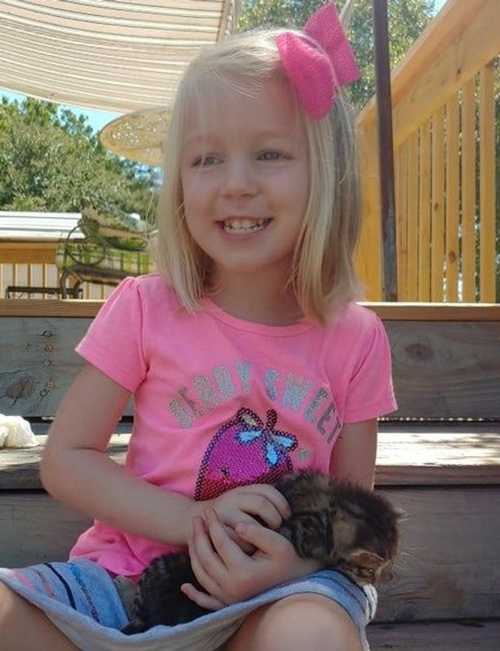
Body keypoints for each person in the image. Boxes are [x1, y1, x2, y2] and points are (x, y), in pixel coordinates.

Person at [0, 3, 396, 650]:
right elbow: (67, 461)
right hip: (124, 583)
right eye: (206, 159)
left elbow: (357, 518)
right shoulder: (144, 307)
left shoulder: (356, 338)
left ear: (328, 171)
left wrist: (292, 565)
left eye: (270, 153)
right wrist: (194, 520)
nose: (235, 184)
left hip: (275, 594)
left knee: (312, 632)